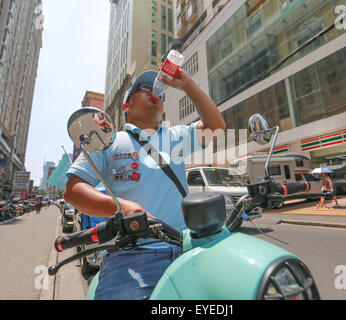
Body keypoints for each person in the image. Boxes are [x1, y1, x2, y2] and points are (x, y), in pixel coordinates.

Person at [64, 69, 226, 300]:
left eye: (159, 91)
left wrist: (188, 85)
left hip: (186, 252)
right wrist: (121, 207)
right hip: (130, 257)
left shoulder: (177, 136)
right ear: (126, 105)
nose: (155, 94)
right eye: (146, 88)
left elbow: (216, 126)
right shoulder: (108, 141)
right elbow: (73, 190)